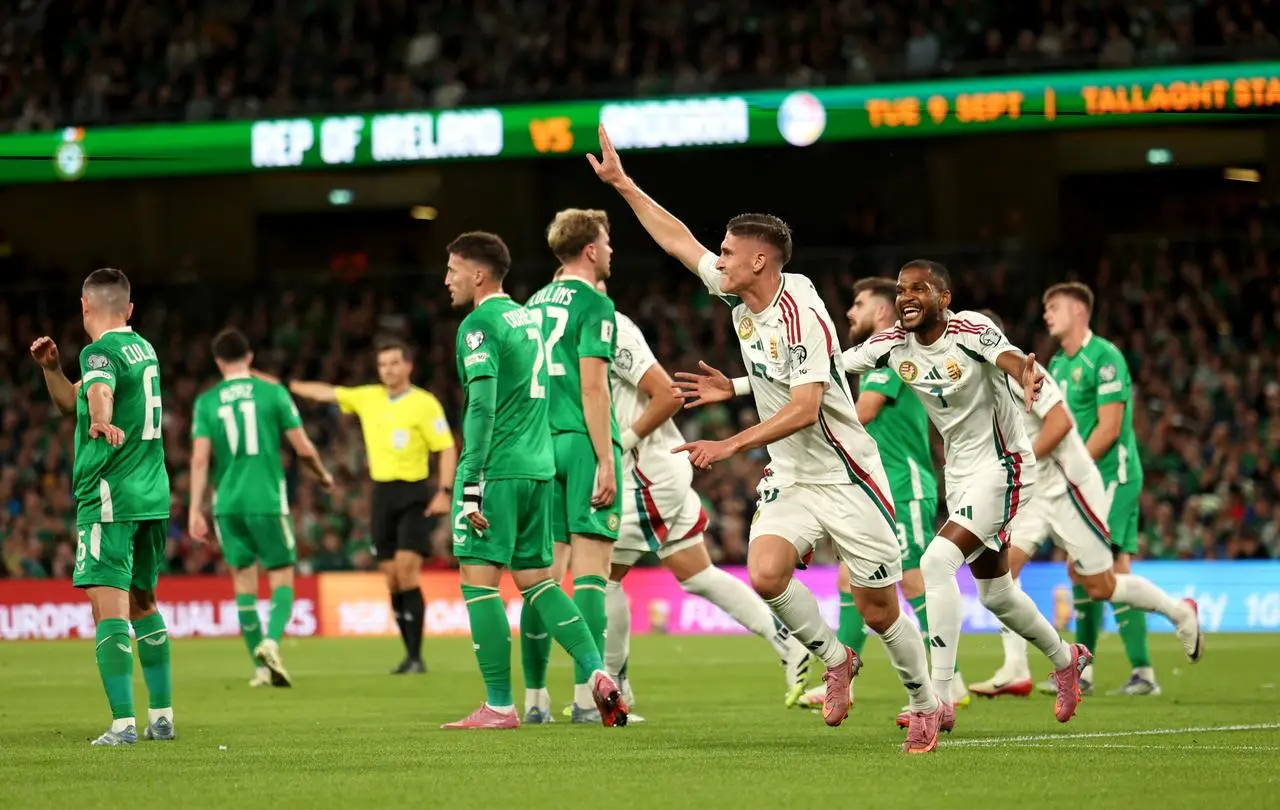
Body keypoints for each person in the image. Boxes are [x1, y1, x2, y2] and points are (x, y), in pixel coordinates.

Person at [589, 124, 940, 755]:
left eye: (726, 251)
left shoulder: (801, 309)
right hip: (793, 476)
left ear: (758, 260)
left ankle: (923, 702)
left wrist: (731, 444)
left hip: (847, 473)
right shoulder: (739, 298)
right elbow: (678, 242)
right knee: (766, 572)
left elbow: (807, 407)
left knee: (881, 609)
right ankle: (835, 659)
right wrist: (623, 184)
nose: (715, 259)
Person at [840, 259, 1092, 751]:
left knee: (935, 562)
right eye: (901, 289)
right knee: (997, 594)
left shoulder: (971, 328)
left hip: (1005, 467)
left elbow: (1008, 357)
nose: (907, 296)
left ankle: (936, 698)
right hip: (959, 478)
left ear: (944, 298)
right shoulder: (892, 345)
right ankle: (1067, 660)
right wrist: (742, 384)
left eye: (920, 288)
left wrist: (1025, 373)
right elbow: (827, 368)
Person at [441, 231, 626, 729]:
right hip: (539, 469)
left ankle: (500, 704)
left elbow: (481, 405)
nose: (447, 280)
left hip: (496, 469)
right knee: (538, 582)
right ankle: (595, 673)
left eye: (453, 270)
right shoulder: (524, 317)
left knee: (479, 585)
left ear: (479, 274)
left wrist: (471, 480)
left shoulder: (479, 325)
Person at [600, 282, 813, 710]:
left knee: (603, 575)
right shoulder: (579, 338)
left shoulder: (612, 331)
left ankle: (613, 691)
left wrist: (621, 442)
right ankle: (788, 641)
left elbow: (668, 394)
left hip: (645, 472)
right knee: (696, 573)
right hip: (659, 469)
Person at [967, 311, 1202, 697]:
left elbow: (1060, 425)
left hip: (1066, 489)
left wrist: (1015, 463)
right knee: (1001, 577)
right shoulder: (975, 384)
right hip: (1030, 492)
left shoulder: (1024, 370)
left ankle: (1179, 612)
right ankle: (1017, 667)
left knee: (1101, 585)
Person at [796, 277, 969, 720]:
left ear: (881, 312)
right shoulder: (879, 354)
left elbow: (865, 411)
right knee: (848, 579)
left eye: (858, 304)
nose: (850, 313)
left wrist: (806, 426)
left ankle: (950, 683)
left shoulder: (889, 356)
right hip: (876, 489)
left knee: (911, 579)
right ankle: (843, 680)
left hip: (905, 486)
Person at [30, 268, 174, 746]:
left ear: (84, 306)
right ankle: (162, 716)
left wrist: (102, 421)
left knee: (108, 608)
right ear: (130, 310)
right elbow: (75, 399)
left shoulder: (99, 352)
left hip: (110, 495)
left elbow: (97, 394)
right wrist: (52, 370)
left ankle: (123, 725)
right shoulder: (143, 348)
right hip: (152, 495)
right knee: (143, 601)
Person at [290, 338, 456, 674]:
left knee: (408, 572)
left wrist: (445, 490)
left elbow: (446, 447)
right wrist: (290, 386)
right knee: (391, 578)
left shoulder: (425, 404)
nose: (388, 370)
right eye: (383, 365)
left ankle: (416, 655)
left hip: (413, 493)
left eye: (395, 363)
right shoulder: (368, 398)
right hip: (381, 495)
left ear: (408, 365)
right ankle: (409, 653)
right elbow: (328, 393)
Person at [519, 209, 623, 724]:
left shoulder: (530, 305)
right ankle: (586, 697)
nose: (610, 250)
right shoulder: (596, 303)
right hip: (581, 442)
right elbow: (592, 386)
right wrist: (606, 457)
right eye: (605, 242)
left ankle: (534, 699)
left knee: (542, 576)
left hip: (536, 446)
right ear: (589, 250)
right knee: (591, 575)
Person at [188, 328, 335, 687]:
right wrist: (322, 475)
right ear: (250, 357)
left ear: (218, 361)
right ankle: (270, 643)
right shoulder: (273, 393)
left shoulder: (206, 402)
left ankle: (260, 669)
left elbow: (200, 459)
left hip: (227, 505)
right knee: (282, 573)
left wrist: (195, 509)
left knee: (243, 582)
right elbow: (302, 448)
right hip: (266, 500)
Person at [1039, 282, 1160, 696]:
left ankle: (1143, 672)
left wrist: (1074, 471)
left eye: (1053, 307)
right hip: (1082, 479)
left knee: (1111, 570)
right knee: (1080, 569)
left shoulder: (1105, 358)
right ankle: (1083, 671)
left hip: (1113, 475)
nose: (1046, 314)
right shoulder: (1055, 365)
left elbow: (1109, 428)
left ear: (1079, 311)